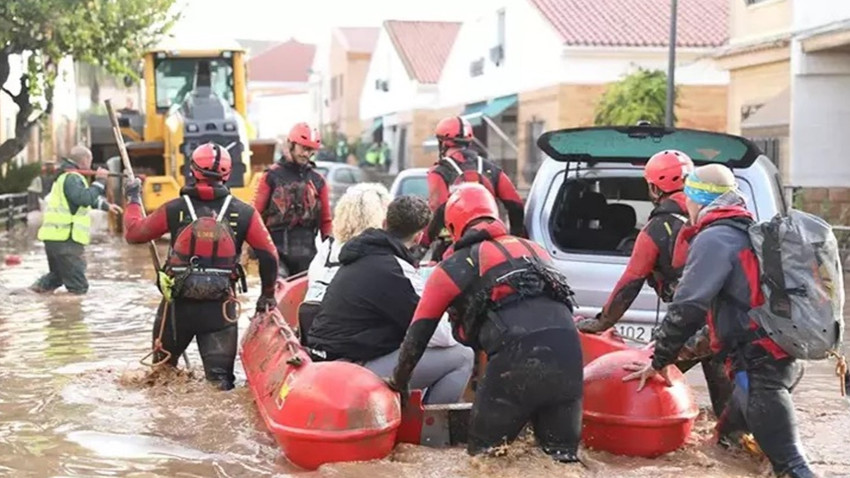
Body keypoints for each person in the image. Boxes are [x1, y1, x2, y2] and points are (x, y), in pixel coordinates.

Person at [623, 164, 816, 478]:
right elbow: (730, 310)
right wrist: (680, 350)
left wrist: (659, 359)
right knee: (725, 445)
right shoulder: (748, 231)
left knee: (792, 466)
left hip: (760, 371)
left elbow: (687, 306)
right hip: (774, 360)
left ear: (696, 200)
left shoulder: (715, 239)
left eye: (688, 199)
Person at [386, 183, 583, 463]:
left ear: (453, 226)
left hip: (516, 360)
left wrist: (399, 381)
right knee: (562, 461)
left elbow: (417, 334)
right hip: (570, 357)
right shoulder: (536, 250)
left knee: (483, 461)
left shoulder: (454, 266)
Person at [576, 150, 733, 419]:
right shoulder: (721, 220)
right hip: (728, 322)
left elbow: (631, 282)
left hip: (690, 322)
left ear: (653, 186)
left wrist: (603, 322)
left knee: (644, 377)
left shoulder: (657, 228)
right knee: (729, 407)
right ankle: (733, 445)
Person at [123, 143, 279, 391]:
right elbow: (269, 255)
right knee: (220, 388)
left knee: (160, 381)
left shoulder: (175, 209)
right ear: (227, 175)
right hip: (220, 312)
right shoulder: (244, 213)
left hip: (176, 311)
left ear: (193, 171)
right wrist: (267, 295)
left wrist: (132, 198)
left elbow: (134, 234)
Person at [307, 195, 473, 405]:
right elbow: (437, 335)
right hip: (352, 371)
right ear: (418, 237)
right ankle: (427, 433)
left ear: (385, 223)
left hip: (324, 362)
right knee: (462, 356)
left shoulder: (356, 257)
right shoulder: (396, 271)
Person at [421, 116, 526, 260]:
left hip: (452, 248)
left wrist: (421, 247)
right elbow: (516, 205)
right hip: (492, 245)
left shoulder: (439, 171)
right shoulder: (492, 169)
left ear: (442, 143)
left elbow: (437, 209)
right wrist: (515, 238)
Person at [31, 146, 123, 295]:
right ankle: (70, 315)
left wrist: (106, 206)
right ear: (85, 160)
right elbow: (83, 198)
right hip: (66, 238)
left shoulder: (65, 177)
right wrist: (100, 181)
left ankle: (27, 296)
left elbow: (79, 199)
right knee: (79, 288)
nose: (91, 163)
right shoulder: (72, 177)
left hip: (55, 238)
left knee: (57, 277)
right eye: (90, 160)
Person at [253, 122, 332, 277]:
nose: (306, 154)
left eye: (311, 150)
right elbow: (255, 213)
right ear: (291, 145)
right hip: (276, 253)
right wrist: (251, 246)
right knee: (277, 297)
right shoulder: (271, 176)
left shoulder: (318, 181)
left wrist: (330, 249)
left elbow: (326, 221)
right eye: (303, 148)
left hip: (307, 256)